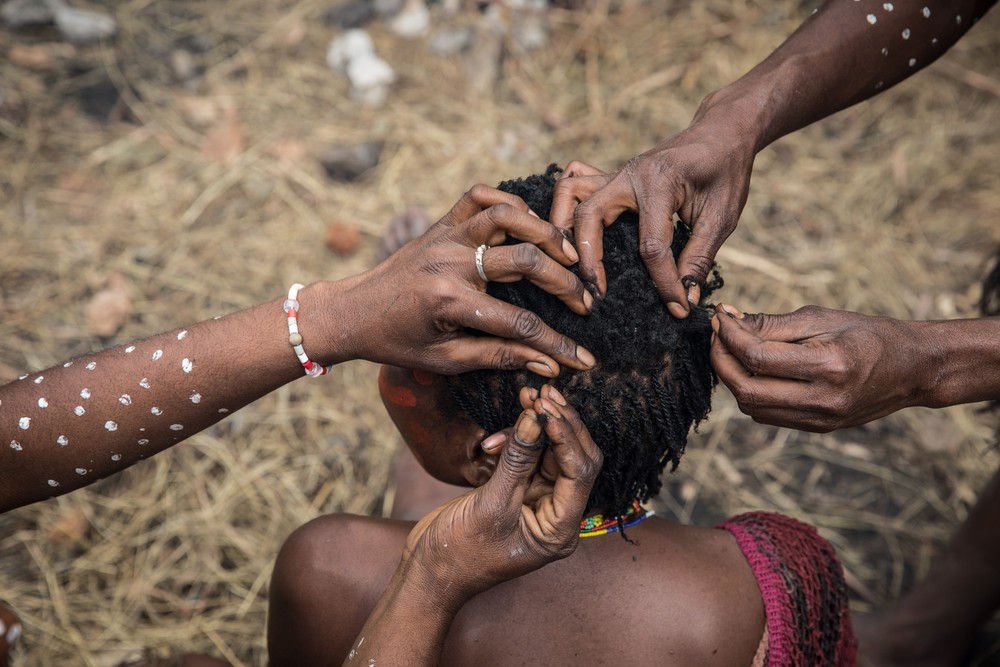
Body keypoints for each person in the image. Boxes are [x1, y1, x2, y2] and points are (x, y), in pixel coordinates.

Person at [265, 167, 856, 666]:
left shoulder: (332, 569)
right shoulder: (764, 582)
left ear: (491, 455)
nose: (389, 348)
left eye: (409, 356)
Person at [0, 185, 597, 514]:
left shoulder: (335, 568)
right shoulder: (695, 591)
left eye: (422, 361)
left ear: (487, 455)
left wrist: (336, 316)